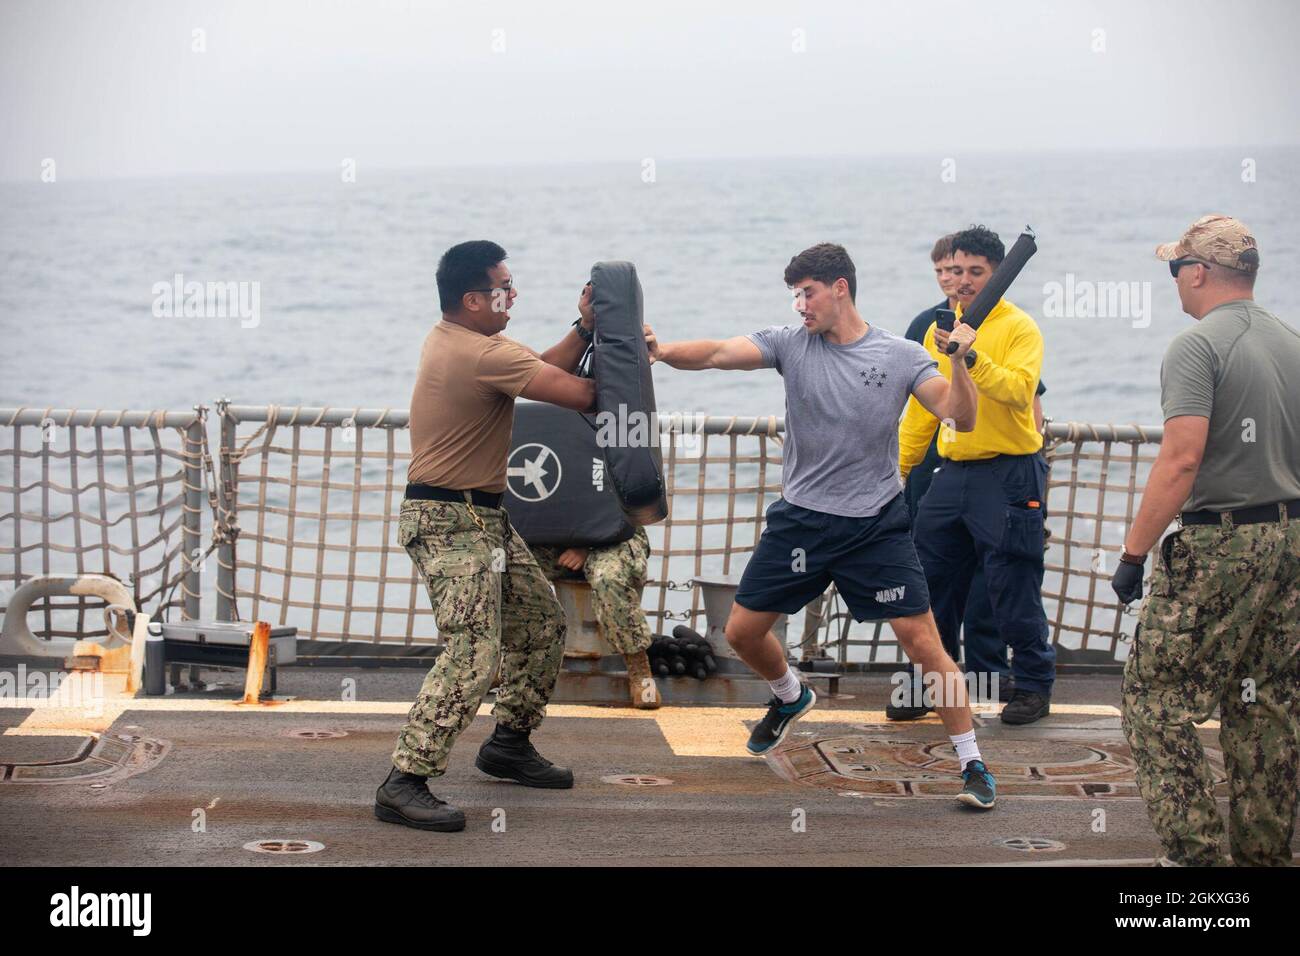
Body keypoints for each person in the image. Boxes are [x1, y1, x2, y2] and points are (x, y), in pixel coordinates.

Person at [648, 242, 998, 809]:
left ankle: (972, 761)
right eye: (794, 294)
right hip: (802, 524)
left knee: (923, 643)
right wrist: (662, 352)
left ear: (840, 287)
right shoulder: (791, 344)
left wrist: (959, 359)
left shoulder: (903, 355)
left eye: (807, 292)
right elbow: (715, 353)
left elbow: (962, 415)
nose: (799, 305)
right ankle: (790, 696)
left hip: (875, 527)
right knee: (740, 633)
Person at [375, 240, 608, 832]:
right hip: (447, 522)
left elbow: (545, 366)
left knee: (540, 625)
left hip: (486, 519)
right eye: (503, 287)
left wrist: (583, 329)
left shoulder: (466, 340)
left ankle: (507, 743)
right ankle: (405, 779)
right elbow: (581, 394)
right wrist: (630, 353)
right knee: (472, 651)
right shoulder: (481, 355)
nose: (514, 293)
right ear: (473, 300)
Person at [1112, 214, 1300, 866]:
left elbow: (1181, 459)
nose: (1175, 283)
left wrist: (1134, 554)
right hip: (1290, 541)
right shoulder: (1290, 341)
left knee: (1155, 704)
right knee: (1268, 707)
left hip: (1222, 546)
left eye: (1175, 270)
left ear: (1197, 272)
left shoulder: (1195, 347)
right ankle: (1264, 859)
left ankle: (1196, 862)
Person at [898, 225, 1056, 725]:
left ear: (995, 275)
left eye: (976, 272)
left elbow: (1017, 390)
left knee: (1013, 581)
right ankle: (929, 684)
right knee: (929, 580)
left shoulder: (1020, 328)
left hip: (1008, 472)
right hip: (952, 472)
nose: (963, 281)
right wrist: (898, 471)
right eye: (956, 271)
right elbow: (925, 410)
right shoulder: (935, 331)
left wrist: (972, 356)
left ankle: (1032, 684)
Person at [530, 528, 662, 709]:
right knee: (503, 563)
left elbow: (631, 513)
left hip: (618, 538)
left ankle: (639, 671)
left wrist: (587, 548)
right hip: (556, 538)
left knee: (607, 578)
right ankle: (502, 663)